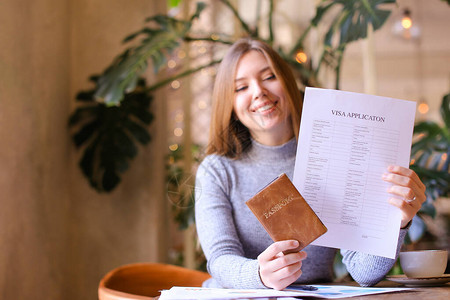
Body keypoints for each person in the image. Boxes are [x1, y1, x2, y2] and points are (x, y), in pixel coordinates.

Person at [194, 38, 426, 290]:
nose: (258, 91)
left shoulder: (333, 157)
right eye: (241, 88)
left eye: (269, 76)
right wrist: (259, 275)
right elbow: (219, 258)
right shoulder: (217, 170)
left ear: (288, 82)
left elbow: (364, 273)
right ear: (229, 104)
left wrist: (398, 220)